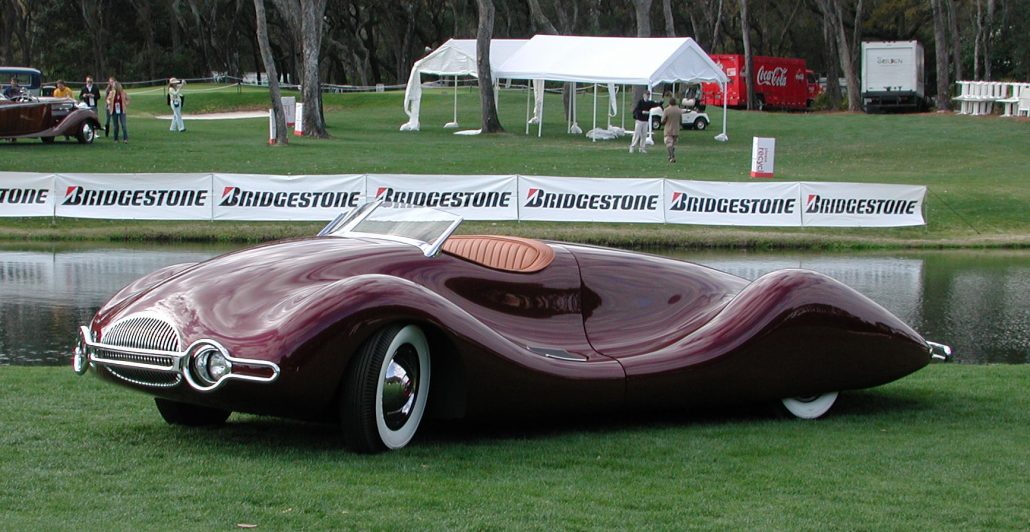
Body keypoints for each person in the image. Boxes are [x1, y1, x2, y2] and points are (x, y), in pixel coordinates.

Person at [660, 96, 684, 163]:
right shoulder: (679, 110)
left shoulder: (667, 110)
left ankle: (672, 156)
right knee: (673, 144)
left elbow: (662, 120)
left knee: (668, 143)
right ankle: (670, 156)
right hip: (676, 129)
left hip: (668, 129)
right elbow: (681, 120)